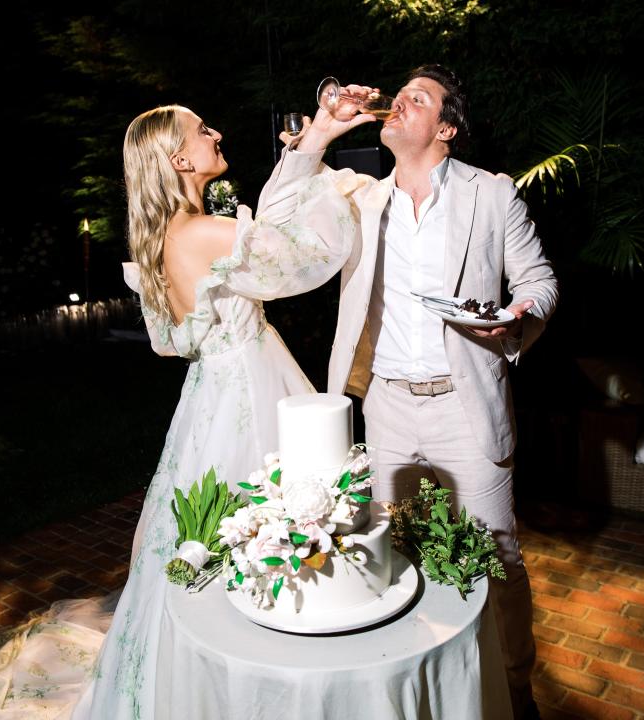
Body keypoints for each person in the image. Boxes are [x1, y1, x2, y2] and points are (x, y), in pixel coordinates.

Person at [260, 65, 559, 719]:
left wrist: (518, 315)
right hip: (387, 404)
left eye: (416, 100)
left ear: (446, 127)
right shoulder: (356, 195)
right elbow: (276, 221)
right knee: (391, 550)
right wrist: (319, 137)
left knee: (496, 554)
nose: (398, 104)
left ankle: (515, 687)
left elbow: (539, 278)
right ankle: (417, 684)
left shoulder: (492, 195)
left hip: (465, 402)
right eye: (397, 97)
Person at [70, 104, 363, 719]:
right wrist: (333, 180)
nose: (216, 134)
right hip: (251, 388)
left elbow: (170, 339)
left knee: (217, 534)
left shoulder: (164, 240)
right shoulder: (204, 234)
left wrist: (307, 149)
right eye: (202, 132)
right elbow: (311, 255)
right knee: (269, 524)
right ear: (178, 160)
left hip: (208, 394)